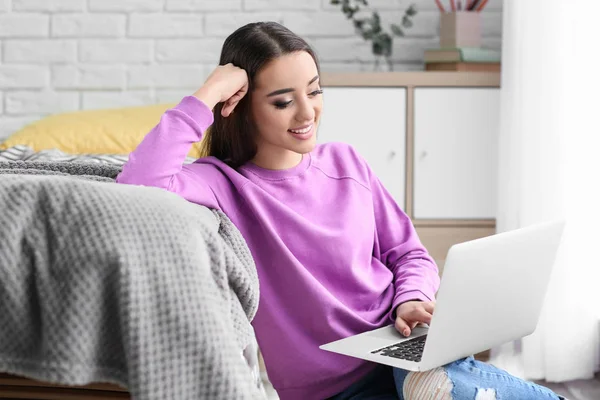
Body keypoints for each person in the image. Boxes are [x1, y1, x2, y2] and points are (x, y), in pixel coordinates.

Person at [117, 22, 566, 400]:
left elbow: (408, 254)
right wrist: (209, 93)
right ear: (241, 108)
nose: (307, 111)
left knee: (432, 378)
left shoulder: (345, 163)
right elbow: (138, 185)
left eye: (314, 91)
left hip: (401, 341)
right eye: (282, 101)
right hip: (333, 389)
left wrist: (411, 298)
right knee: (440, 387)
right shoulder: (220, 183)